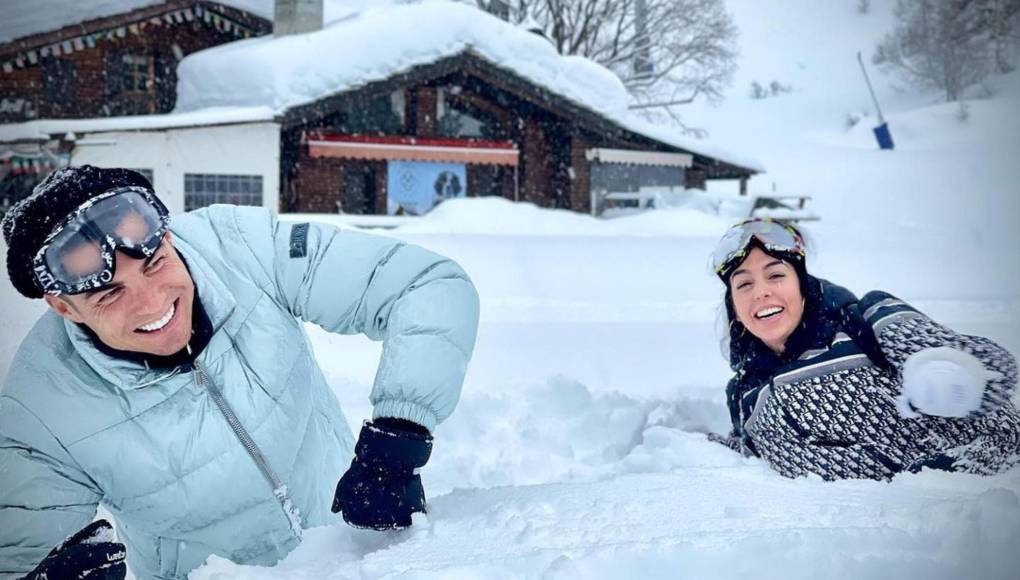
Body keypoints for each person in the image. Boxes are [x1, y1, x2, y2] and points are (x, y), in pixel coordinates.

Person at [0, 165, 480, 579]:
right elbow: (21, 556)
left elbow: (424, 286)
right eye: (109, 294)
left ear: (165, 236)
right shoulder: (38, 409)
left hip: (357, 555)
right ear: (64, 307)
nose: (151, 302)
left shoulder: (243, 249)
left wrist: (399, 436)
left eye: (154, 263)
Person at [709, 218, 1020, 480]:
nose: (761, 292)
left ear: (802, 285)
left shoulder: (868, 321)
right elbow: (746, 459)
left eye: (776, 275)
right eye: (744, 284)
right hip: (888, 528)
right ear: (734, 305)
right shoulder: (743, 394)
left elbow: (994, 371)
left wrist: (947, 372)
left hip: (990, 491)